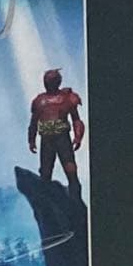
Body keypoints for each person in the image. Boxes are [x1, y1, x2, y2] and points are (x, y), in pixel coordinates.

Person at [28, 68, 85, 198]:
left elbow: (76, 119)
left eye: (52, 80)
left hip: (62, 138)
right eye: (47, 80)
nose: (49, 82)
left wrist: (78, 136)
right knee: (45, 171)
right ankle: (47, 200)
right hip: (46, 139)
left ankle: (76, 198)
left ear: (58, 81)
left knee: (70, 168)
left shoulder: (68, 98)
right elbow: (33, 122)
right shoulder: (39, 101)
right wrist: (31, 140)